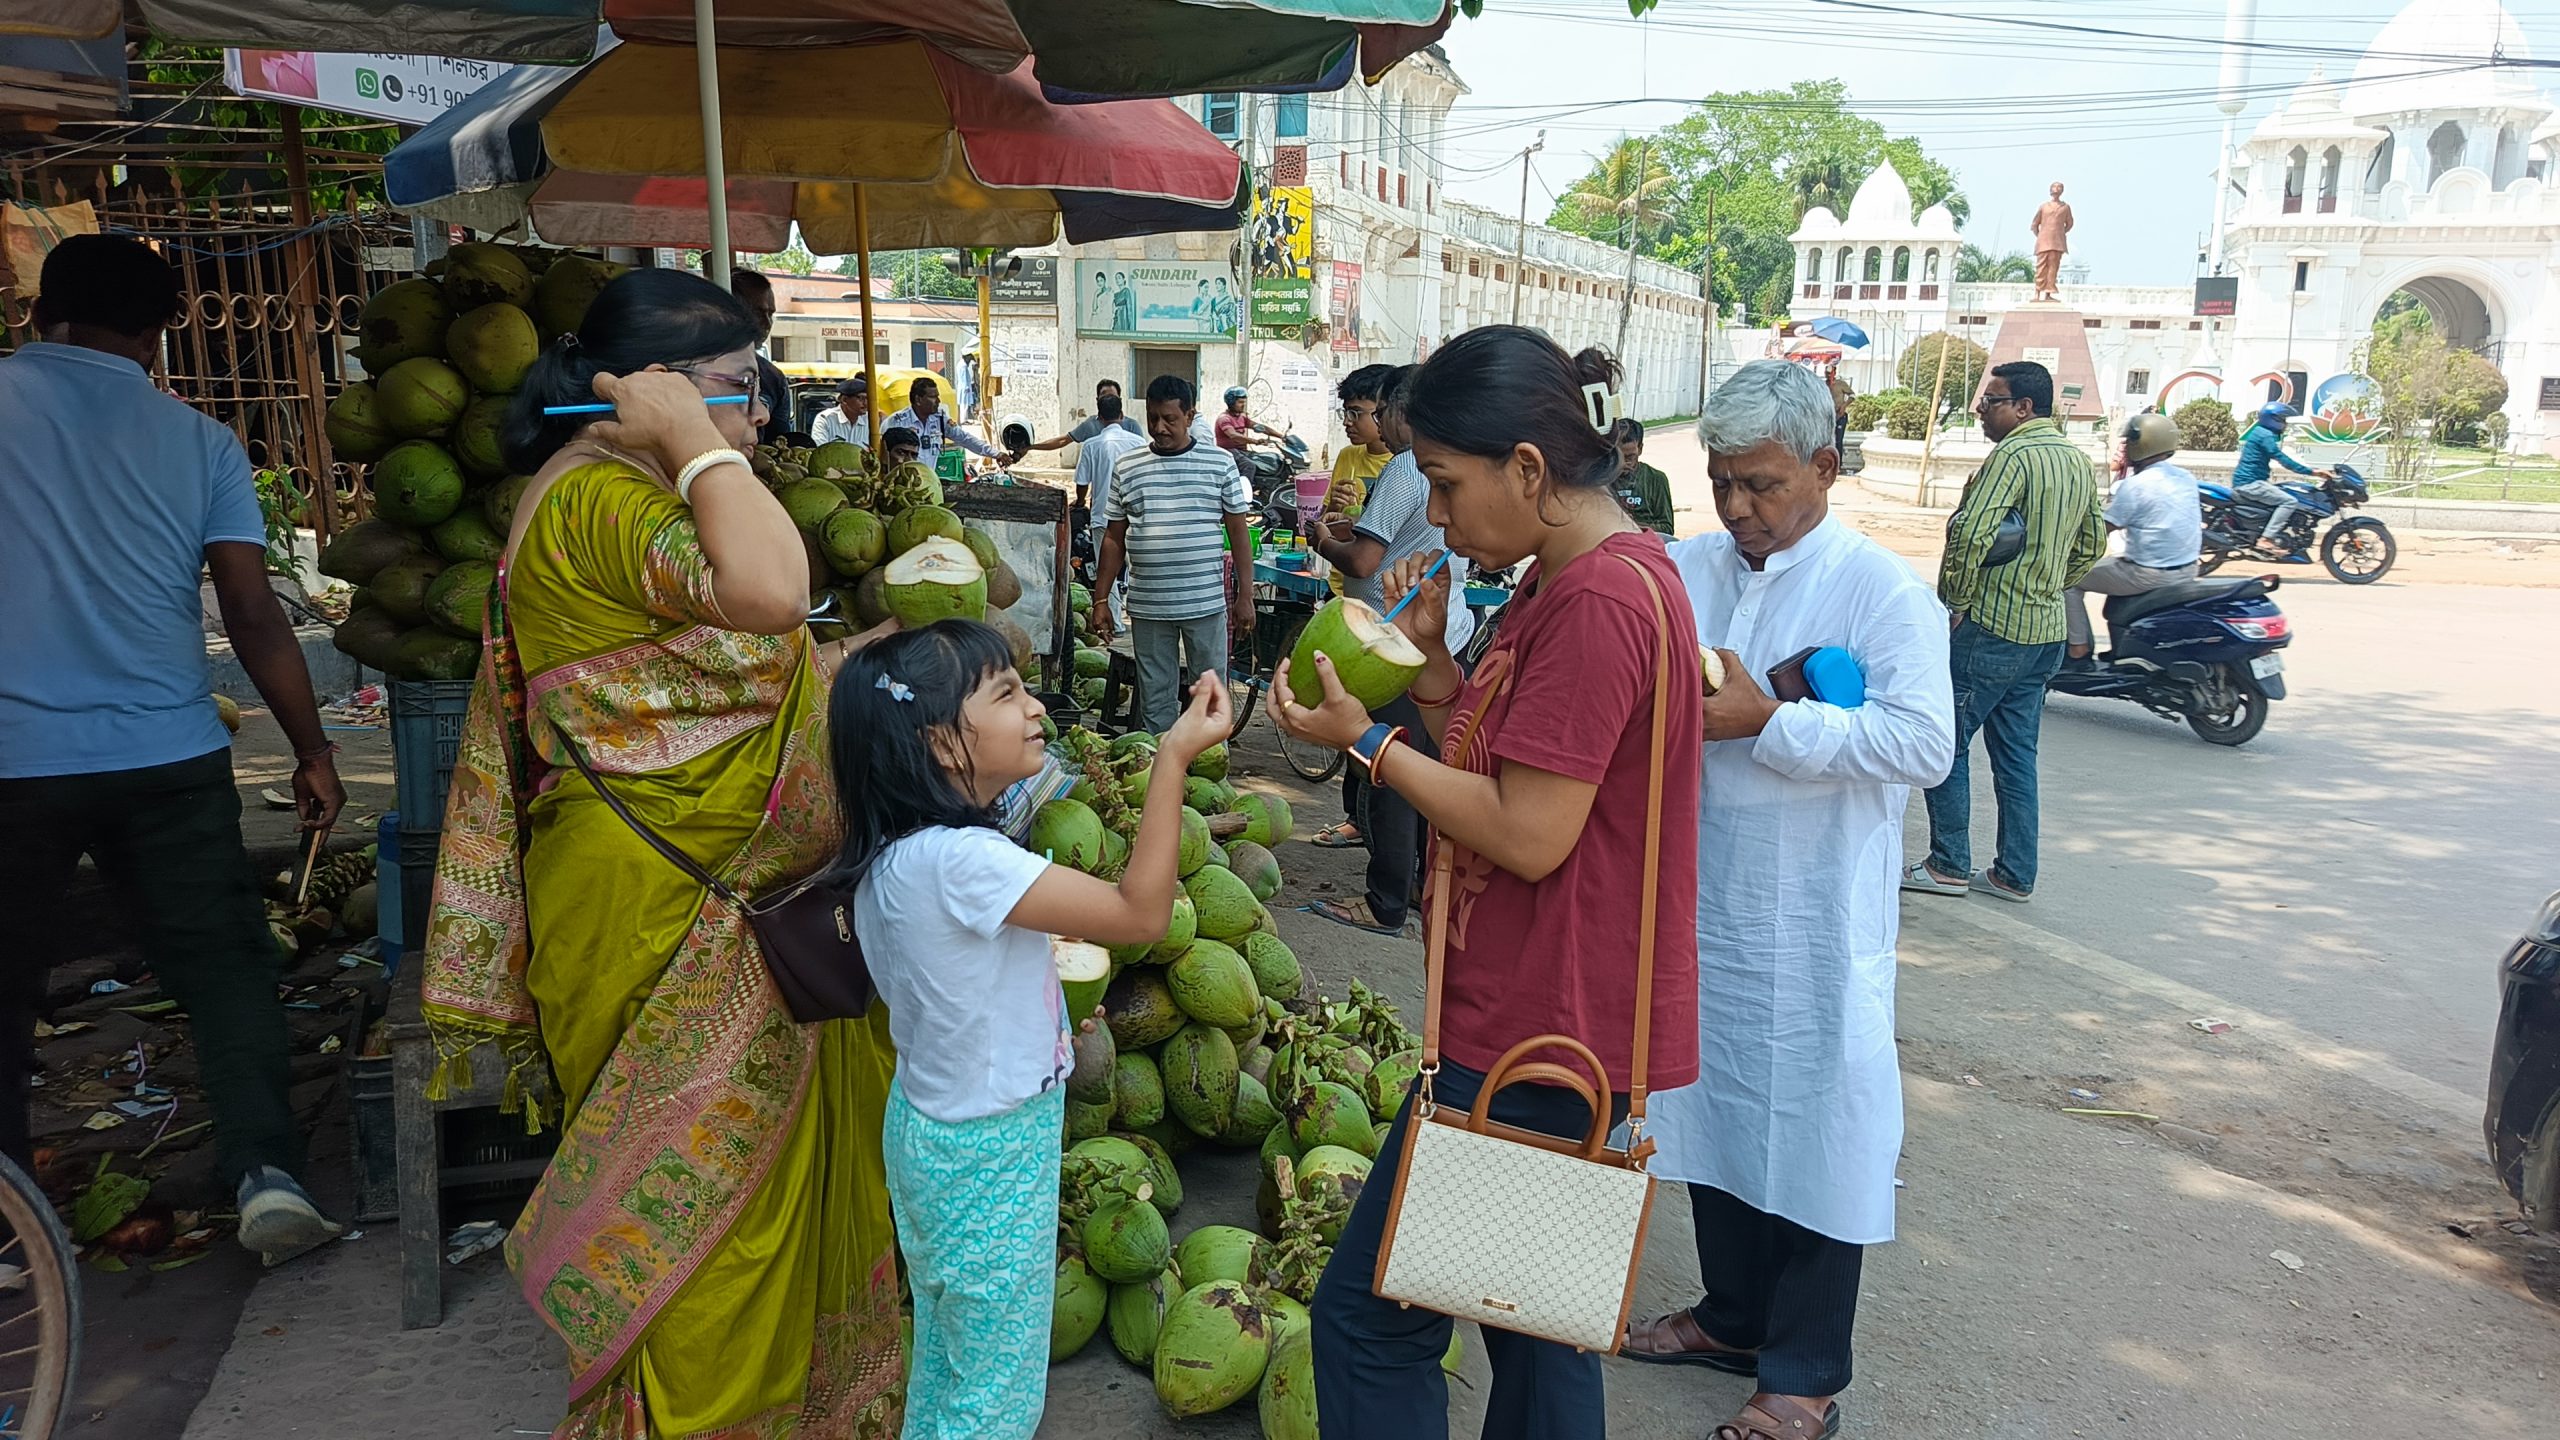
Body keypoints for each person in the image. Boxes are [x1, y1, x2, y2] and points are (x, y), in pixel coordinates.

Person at [420, 268, 904, 1435]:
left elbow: (711, 681)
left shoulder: (622, 496)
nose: (761, 413)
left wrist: (856, 663)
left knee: (745, 1208)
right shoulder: (599, 497)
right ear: (648, 390)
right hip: (663, 910)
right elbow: (774, 592)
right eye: (738, 387)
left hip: (700, 897)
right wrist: (693, 439)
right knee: (702, 1228)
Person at [1271, 329, 1703, 1440]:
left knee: (1371, 1324)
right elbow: (1504, 761)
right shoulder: (1573, 578)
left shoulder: (1598, 601)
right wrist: (1433, 670)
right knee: (1530, 1325)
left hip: (1538, 1024)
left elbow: (1528, 830)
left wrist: (1366, 742)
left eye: (1447, 484)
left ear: (1527, 466)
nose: (1438, 514)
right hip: (1547, 1013)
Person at [1623, 361, 1954, 1440]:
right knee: (1707, 1109)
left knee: (1817, 1130)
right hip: (1701, 900)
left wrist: (1770, 723)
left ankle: (1804, 1372)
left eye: (1760, 484)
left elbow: (1926, 745)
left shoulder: (1881, 590)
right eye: (1721, 482)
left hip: (1813, 918)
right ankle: (1732, 1317)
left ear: (1824, 466)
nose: (1736, 507)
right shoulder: (1685, 569)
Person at [0, 233, 345, 1264]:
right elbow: (252, 612)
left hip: (13, 762)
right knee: (225, 968)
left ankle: (11, 1213)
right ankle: (267, 1175)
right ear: (157, 335)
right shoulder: (200, 443)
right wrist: (313, 751)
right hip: (168, 755)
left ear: (37, 313)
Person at [834, 622, 1229, 1440]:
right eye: (1006, 692)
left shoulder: (898, 860)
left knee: (951, 1358)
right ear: (939, 741)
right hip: (991, 1153)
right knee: (996, 1397)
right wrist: (1172, 759)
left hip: (934, 1136)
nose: (1036, 706)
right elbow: (1141, 914)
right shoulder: (965, 864)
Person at [1905, 360, 2103, 904]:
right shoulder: (2075, 459)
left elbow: (1971, 532)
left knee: (1945, 741)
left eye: (1991, 401)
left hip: (1992, 628)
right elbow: (2092, 543)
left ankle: (1948, 863)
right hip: (2045, 633)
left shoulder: (2013, 455)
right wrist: (2047, 582)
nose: (1981, 410)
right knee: (2016, 755)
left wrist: (1954, 602)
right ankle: (2014, 873)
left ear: (2023, 408)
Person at [1306, 365, 1474, 936]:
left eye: (1380, 412)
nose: (1376, 423)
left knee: (1390, 775)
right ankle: (1421, 889)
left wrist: (1321, 538)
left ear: (1403, 410)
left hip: (1395, 644)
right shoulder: (1434, 465)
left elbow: (1364, 561)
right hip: (1438, 637)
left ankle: (1385, 902)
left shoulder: (1406, 466)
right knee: (1423, 772)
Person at [1089, 375, 1255, 731]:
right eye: (1153, 418)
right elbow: (1114, 538)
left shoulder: (1220, 463)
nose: (1159, 428)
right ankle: (1161, 763)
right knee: (1155, 700)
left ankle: (1211, 763)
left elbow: (1239, 533)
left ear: (1190, 416)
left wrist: (1246, 595)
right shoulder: (1128, 466)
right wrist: (1101, 598)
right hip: (1149, 606)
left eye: (1170, 419)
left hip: (1204, 604)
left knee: (1210, 698)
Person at [2064, 412, 2202, 668]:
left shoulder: (2136, 486)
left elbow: (2100, 530)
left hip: (2148, 573)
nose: (2125, 448)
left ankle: (2077, 648)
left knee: (2067, 580)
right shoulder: (2186, 478)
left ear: (2142, 444)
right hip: (2188, 568)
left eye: (2128, 442)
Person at [2233, 401, 2332, 556]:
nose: (2285, 424)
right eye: (2283, 420)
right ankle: (2266, 539)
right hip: (2251, 484)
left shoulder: (2259, 432)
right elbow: (2282, 459)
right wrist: (2312, 472)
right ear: (2274, 419)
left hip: (2250, 482)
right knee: (2289, 501)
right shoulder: (2265, 435)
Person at [725, 267, 796, 443]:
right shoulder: (697, 368)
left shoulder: (773, 378)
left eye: (770, 314)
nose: (767, 323)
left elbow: (781, 443)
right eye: (757, 313)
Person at [882, 375, 997, 467]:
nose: (938, 401)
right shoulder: (897, 422)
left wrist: (996, 454)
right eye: (933, 397)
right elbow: (882, 453)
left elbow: (965, 438)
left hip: (928, 480)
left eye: (937, 396)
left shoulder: (939, 419)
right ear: (918, 399)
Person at [1073, 390, 1147, 524]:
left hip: (1102, 517)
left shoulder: (1090, 446)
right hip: (1133, 518)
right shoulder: (1139, 442)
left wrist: (1080, 502)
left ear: (1100, 417)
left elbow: (1082, 483)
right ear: (1122, 415)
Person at [1028, 378, 1144, 452]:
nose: (1108, 400)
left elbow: (1142, 454)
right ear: (1097, 400)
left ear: (1119, 401)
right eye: (1104, 396)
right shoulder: (1090, 425)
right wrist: (1031, 447)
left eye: (1112, 397)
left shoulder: (1132, 426)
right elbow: (1063, 440)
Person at [1609, 417, 1677, 535]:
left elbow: (1667, 528)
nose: (1625, 462)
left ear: (1640, 449)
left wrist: (1634, 526)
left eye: (1630, 457)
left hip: (1645, 540)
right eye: (1619, 457)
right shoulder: (1602, 481)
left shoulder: (1656, 479)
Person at [1214, 385, 1287, 457]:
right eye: (1240, 402)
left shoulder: (1242, 418)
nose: (1243, 405)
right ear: (1231, 403)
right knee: (1250, 463)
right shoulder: (1224, 419)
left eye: (1244, 402)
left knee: (1268, 458)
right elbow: (1233, 435)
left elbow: (1261, 427)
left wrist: (1282, 437)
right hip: (1229, 453)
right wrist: (1255, 441)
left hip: (1242, 452)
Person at [2031, 182, 2073, 303]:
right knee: (2041, 267)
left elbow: (2070, 224)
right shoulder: (2044, 207)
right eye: (2054, 187)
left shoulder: (2065, 207)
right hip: (2043, 243)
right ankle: (2037, 293)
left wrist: (2060, 233)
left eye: (2059, 187)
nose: (2056, 189)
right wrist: (2041, 236)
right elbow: (2034, 224)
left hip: (2057, 243)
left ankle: (2048, 294)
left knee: (2053, 268)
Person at [811, 374, 870, 447]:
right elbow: (820, 450)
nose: (865, 403)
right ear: (844, 400)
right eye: (861, 398)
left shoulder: (870, 421)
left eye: (867, 398)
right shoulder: (825, 419)